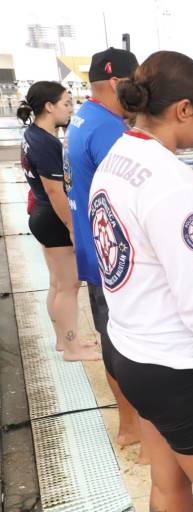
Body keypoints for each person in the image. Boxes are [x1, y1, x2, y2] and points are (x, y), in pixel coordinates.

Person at [91, 50, 193, 511]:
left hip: (132, 352)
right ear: (182, 109)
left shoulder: (117, 157)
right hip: (181, 371)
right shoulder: (172, 184)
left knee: (168, 487)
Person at [65, 47, 145, 463]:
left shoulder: (83, 117)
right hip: (115, 263)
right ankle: (140, 432)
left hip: (94, 254)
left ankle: (129, 424)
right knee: (132, 348)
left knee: (112, 342)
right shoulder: (110, 131)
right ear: (118, 82)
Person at [18, 81, 101, 362]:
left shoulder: (31, 135)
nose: (70, 109)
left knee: (57, 284)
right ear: (49, 106)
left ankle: (64, 341)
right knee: (69, 287)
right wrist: (72, 229)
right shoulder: (45, 143)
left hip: (41, 216)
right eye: (66, 103)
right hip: (54, 219)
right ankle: (72, 348)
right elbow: (55, 191)